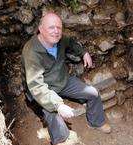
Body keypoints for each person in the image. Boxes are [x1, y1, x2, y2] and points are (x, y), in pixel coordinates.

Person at [21, 12, 111, 145]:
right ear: (40, 29)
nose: (56, 31)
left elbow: (71, 42)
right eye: (51, 27)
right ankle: (62, 140)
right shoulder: (32, 52)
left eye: (59, 27)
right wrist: (58, 105)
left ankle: (96, 122)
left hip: (62, 80)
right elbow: (36, 87)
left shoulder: (60, 39)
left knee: (93, 93)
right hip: (45, 89)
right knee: (53, 113)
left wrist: (83, 52)